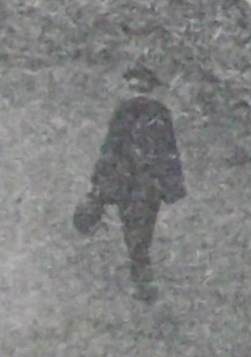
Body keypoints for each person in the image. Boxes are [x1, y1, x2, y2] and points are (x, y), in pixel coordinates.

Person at [75, 64, 186, 301]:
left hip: (127, 183)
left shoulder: (123, 111)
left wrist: (98, 183)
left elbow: (110, 149)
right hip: (150, 184)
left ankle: (142, 275)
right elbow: (170, 150)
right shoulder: (160, 112)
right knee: (143, 228)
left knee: (132, 228)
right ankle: (142, 275)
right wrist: (173, 184)